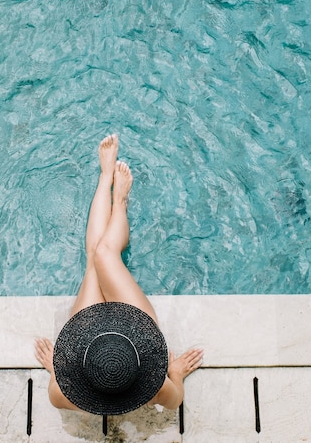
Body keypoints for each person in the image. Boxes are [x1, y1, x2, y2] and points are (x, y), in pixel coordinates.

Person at [35, 134, 203, 415]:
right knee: (104, 253)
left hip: (87, 341)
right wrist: (175, 372)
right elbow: (175, 401)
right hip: (120, 339)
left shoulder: (61, 396)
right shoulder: (158, 388)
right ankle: (120, 201)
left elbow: (56, 379)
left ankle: (105, 178)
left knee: (94, 260)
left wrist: (58, 367)